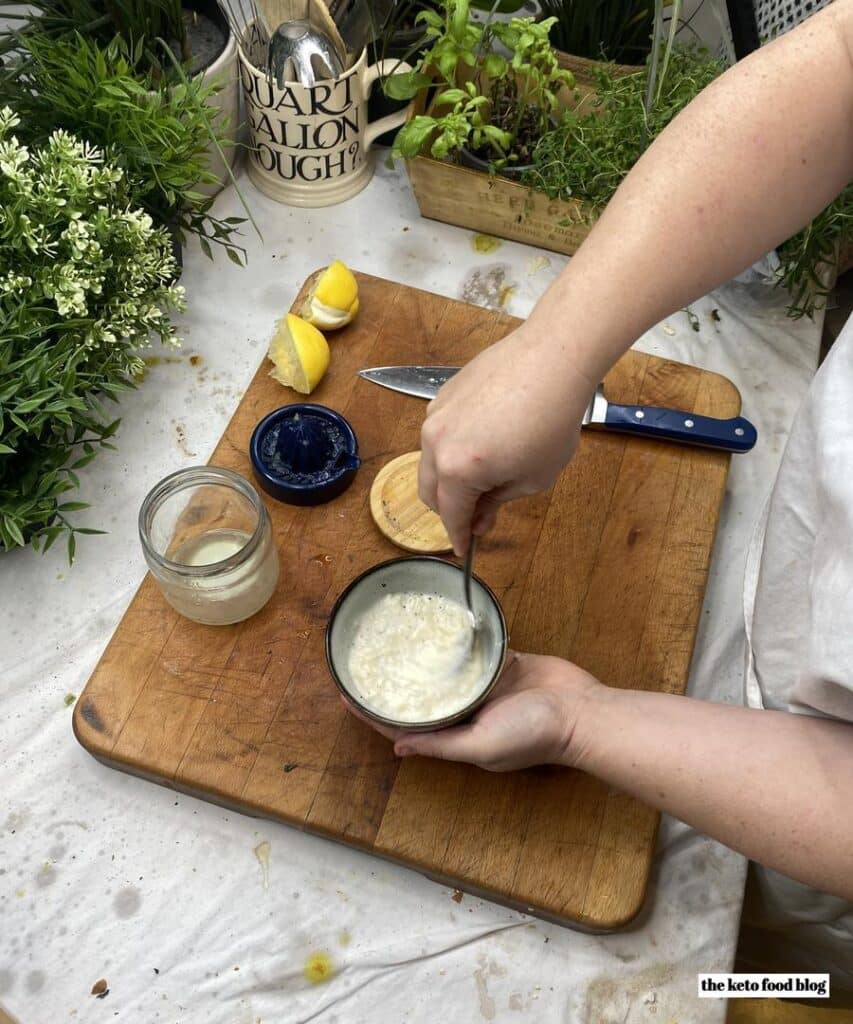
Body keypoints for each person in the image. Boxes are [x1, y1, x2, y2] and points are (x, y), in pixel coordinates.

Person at [353, 0, 853, 995]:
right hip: (794, 655)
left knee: (774, 976)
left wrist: (582, 722)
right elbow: (842, 60)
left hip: (812, 845)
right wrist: (556, 344)